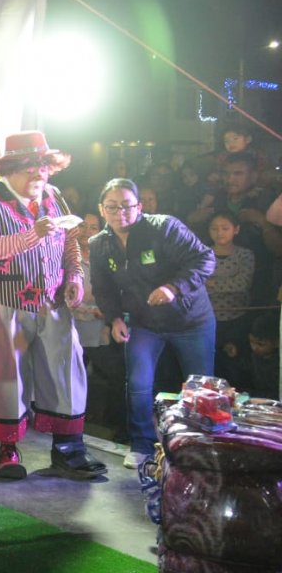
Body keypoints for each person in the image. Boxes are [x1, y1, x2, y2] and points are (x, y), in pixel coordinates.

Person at [0, 131, 105, 480]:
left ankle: (69, 448)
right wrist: (33, 236)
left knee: (65, 370)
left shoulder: (54, 196)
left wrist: (74, 277)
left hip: (52, 300)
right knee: (7, 374)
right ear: (10, 169)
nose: (39, 176)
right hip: (3, 302)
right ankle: (8, 450)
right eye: (30, 169)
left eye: (44, 168)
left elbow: (71, 241)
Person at [89, 178, 216, 470]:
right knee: (138, 383)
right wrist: (114, 318)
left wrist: (174, 287)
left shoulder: (165, 227)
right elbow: (103, 287)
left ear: (139, 206)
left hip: (191, 321)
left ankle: (201, 446)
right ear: (101, 208)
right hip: (144, 323)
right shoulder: (100, 244)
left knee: (200, 387)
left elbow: (204, 259)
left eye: (126, 206)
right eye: (111, 206)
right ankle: (142, 444)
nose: (119, 212)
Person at [73, 212, 126, 439]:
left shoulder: (106, 257)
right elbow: (64, 296)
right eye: (83, 226)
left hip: (103, 328)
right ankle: (74, 420)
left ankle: (116, 424)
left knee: (116, 374)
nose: (87, 232)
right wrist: (88, 310)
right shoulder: (67, 259)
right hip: (74, 328)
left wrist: (109, 312)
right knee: (75, 376)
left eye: (93, 227)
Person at [205, 211, 255, 386]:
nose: (219, 233)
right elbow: (198, 284)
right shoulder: (203, 254)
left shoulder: (245, 255)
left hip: (237, 319)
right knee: (211, 366)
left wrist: (213, 285)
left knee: (235, 366)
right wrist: (223, 283)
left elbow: (242, 284)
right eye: (214, 228)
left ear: (236, 230)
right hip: (209, 318)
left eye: (225, 228)